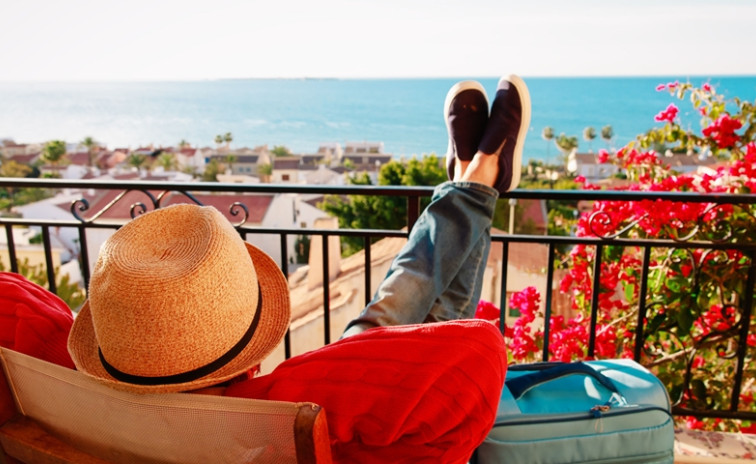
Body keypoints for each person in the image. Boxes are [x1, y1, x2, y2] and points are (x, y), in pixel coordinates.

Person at [0, 74, 531, 464]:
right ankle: (475, 182)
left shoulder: (57, 398)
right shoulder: (277, 413)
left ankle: (473, 183)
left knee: (388, 319)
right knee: (381, 319)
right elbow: (474, 353)